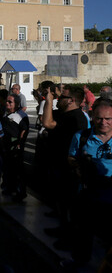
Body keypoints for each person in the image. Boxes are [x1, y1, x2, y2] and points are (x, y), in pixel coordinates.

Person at [62, 99, 112, 268]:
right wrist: (77, 166)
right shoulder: (81, 136)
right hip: (87, 193)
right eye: (99, 118)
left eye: (108, 118)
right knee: (83, 231)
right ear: (92, 117)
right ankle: (79, 261)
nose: (103, 122)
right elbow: (71, 157)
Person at [41, 85, 88, 242]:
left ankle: (69, 236)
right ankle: (63, 228)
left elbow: (47, 123)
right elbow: (46, 120)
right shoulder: (65, 114)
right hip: (59, 164)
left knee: (69, 204)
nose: (58, 99)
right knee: (62, 201)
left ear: (71, 101)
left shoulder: (76, 118)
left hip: (68, 168)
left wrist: (48, 100)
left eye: (62, 98)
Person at [0, 94, 30, 202]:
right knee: (8, 168)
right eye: (7, 101)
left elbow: (24, 130)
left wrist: (19, 143)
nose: (7, 103)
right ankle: (9, 187)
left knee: (17, 169)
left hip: (15, 145)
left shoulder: (21, 115)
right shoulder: (5, 113)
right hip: (6, 144)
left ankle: (20, 191)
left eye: (10, 102)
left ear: (16, 103)